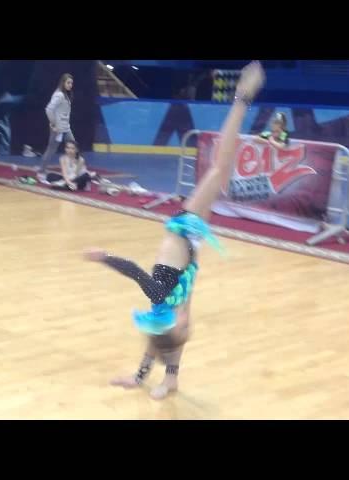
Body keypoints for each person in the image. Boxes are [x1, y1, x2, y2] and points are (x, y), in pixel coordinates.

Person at [83, 61, 266, 400]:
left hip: (186, 236)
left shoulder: (161, 300)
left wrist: (102, 257)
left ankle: (242, 97)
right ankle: (242, 98)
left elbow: (135, 272)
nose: (187, 326)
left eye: (182, 327)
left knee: (220, 170)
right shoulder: (170, 307)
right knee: (220, 171)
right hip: (188, 242)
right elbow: (161, 336)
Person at [37, 74, 75, 180]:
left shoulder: (65, 94)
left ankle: (73, 170)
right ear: (63, 83)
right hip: (58, 128)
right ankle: (41, 171)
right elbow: (49, 109)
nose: (70, 85)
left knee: (73, 147)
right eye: (68, 83)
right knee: (51, 150)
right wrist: (53, 124)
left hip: (66, 127)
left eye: (71, 83)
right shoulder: (59, 95)